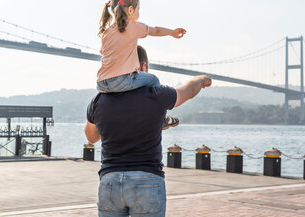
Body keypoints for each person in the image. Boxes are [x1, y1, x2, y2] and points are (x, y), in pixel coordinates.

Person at [85, 46, 212, 216]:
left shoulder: (98, 100)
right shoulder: (156, 94)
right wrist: (201, 78)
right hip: (147, 179)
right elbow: (188, 90)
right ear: (143, 67)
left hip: (110, 181)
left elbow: (91, 137)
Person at [97, 0, 185, 129]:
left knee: (134, 80)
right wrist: (172, 33)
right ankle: (162, 118)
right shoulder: (133, 27)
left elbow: (104, 52)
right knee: (153, 80)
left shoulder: (107, 32)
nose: (139, 12)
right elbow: (155, 30)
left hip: (102, 83)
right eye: (138, 9)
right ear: (130, 10)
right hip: (121, 80)